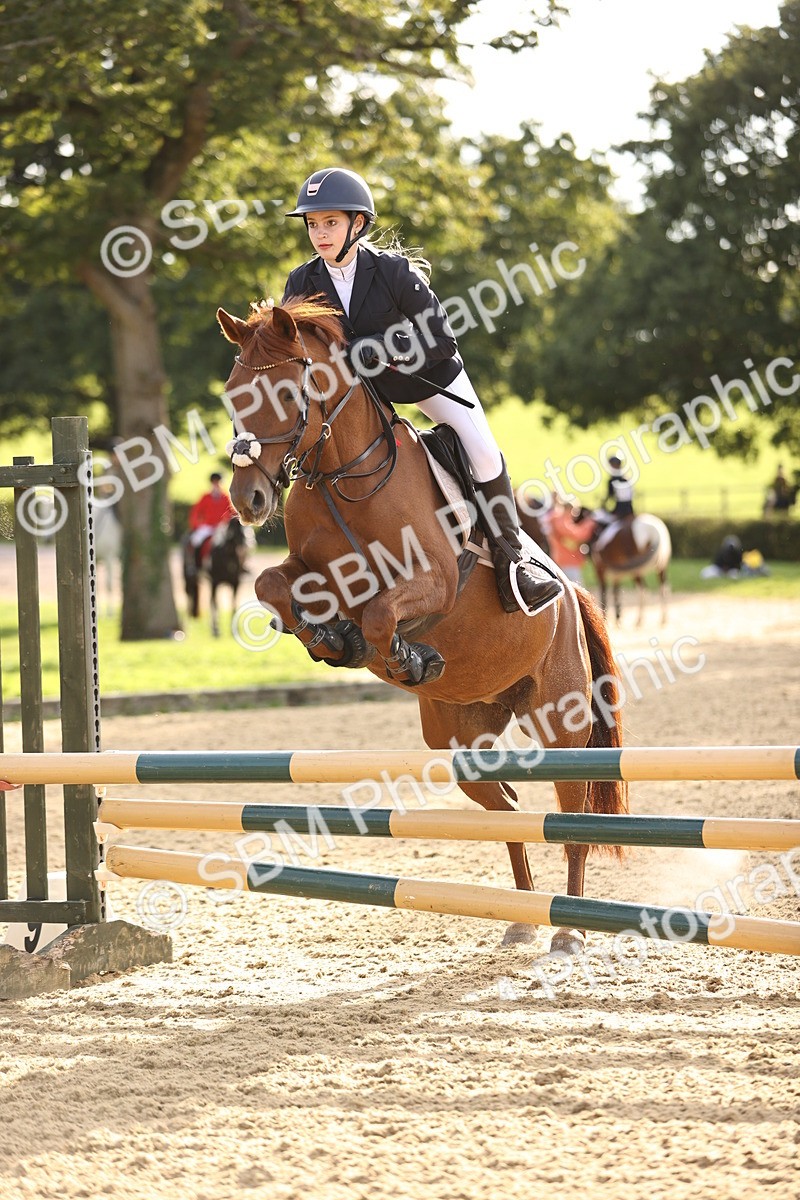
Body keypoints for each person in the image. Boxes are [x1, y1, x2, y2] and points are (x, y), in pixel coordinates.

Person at [280, 166, 563, 617]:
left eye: (330, 222)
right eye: (313, 224)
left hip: (427, 377)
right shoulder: (301, 282)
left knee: (484, 453)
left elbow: (441, 339)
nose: (319, 233)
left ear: (358, 224)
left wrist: (385, 350)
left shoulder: (393, 271)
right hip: (364, 394)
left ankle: (515, 561)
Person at [188, 473, 236, 571]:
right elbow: (196, 512)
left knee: (237, 541)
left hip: (222, 528)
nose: (216, 485)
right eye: (214, 482)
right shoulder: (205, 497)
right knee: (195, 540)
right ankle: (195, 565)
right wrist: (197, 524)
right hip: (208, 526)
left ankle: (239, 566)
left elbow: (233, 513)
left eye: (218, 482)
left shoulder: (226, 497)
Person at [546, 494, 595, 584]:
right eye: (575, 510)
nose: (575, 514)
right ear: (570, 509)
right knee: (577, 592)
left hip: (559, 560)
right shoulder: (562, 523)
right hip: (569, 563)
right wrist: (589, 524)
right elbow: (579, 535)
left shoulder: (555, 520)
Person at [592, 455, 635, 551]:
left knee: (599, 519)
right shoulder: (627, 479)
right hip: (630, 511)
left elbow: (610, 497)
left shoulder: (612, 480)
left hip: (619, 512)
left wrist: (603, 506)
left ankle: (600, 547)